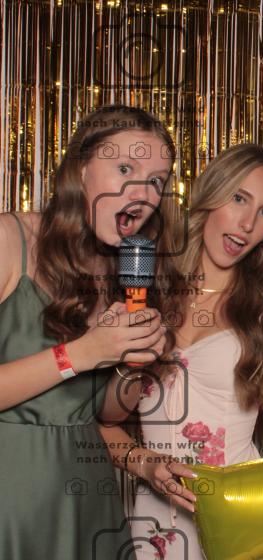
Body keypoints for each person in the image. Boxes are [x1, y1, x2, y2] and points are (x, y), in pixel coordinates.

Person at [97, 144, 263, 560]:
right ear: (211, 194)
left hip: (238, 521)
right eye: (239, 199)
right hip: (154, 526)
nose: (248, 224)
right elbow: (100, 423)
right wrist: (145, 463)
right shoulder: (145, 293)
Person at [0, 105, 175, 559]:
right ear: (80, 169)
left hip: (88, 500)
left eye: (157, 181)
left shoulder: (120, 273)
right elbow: (76, 361)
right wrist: (79, 354)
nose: (143, 194)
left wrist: (133, 365)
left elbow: (106, 415)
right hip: (11, 500)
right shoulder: (8, 240)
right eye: (125, 169)